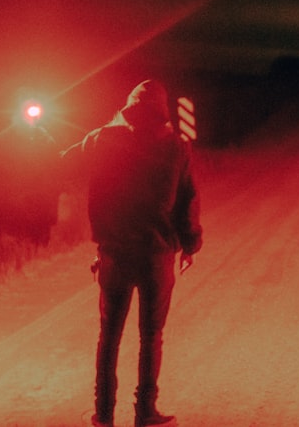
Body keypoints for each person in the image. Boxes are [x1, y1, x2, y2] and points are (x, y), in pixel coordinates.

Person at [62, 80, 203, 427]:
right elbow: (187, 200)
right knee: (151, 334)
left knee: (109, 334)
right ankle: (145, 411)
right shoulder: (176, 147)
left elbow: (63, 164)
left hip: (114, 253)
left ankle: (104, 413)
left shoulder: (102, 139)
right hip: (157, 255)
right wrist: (190, 243)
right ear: (161, 111)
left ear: (129, 109)